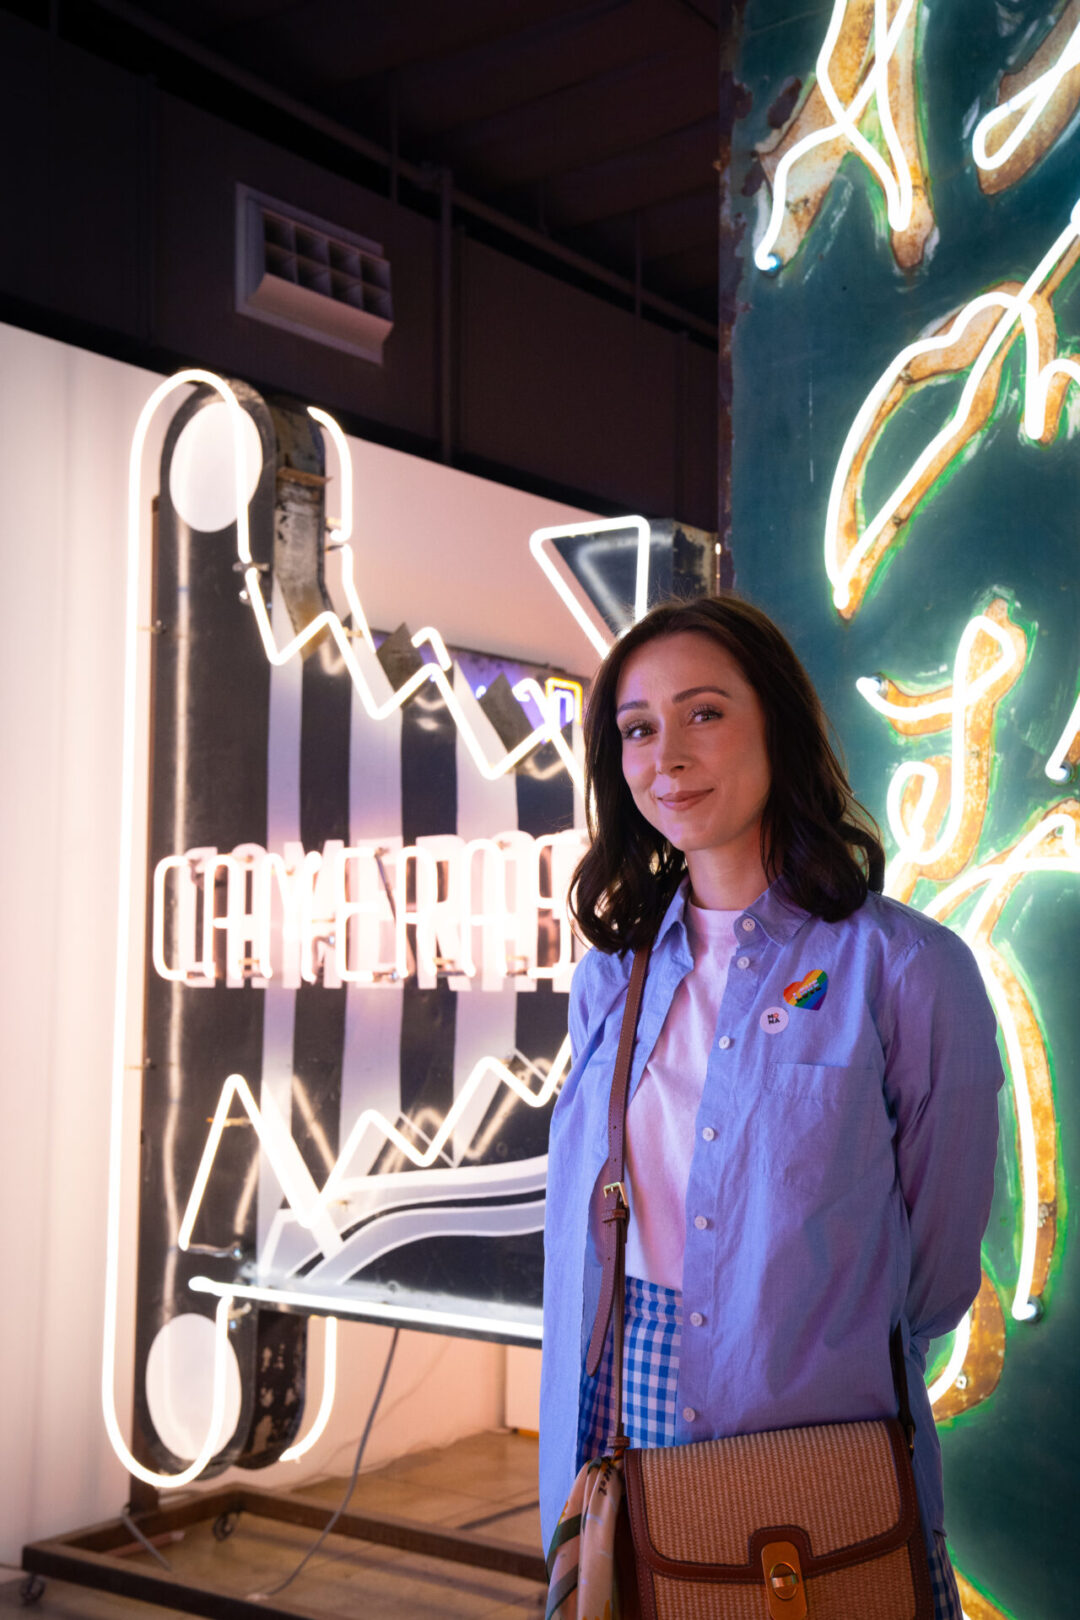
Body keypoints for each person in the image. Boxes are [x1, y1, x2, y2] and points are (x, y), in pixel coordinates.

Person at [539, 595, 1002, 1620]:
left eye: (705, 713)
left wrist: (805, 1340)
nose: (669, 754)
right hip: (619, 1412)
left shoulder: (909, 969)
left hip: (811, 1426)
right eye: (638, 727)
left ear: (777, 725)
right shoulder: (609, 977)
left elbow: (933, 1266)